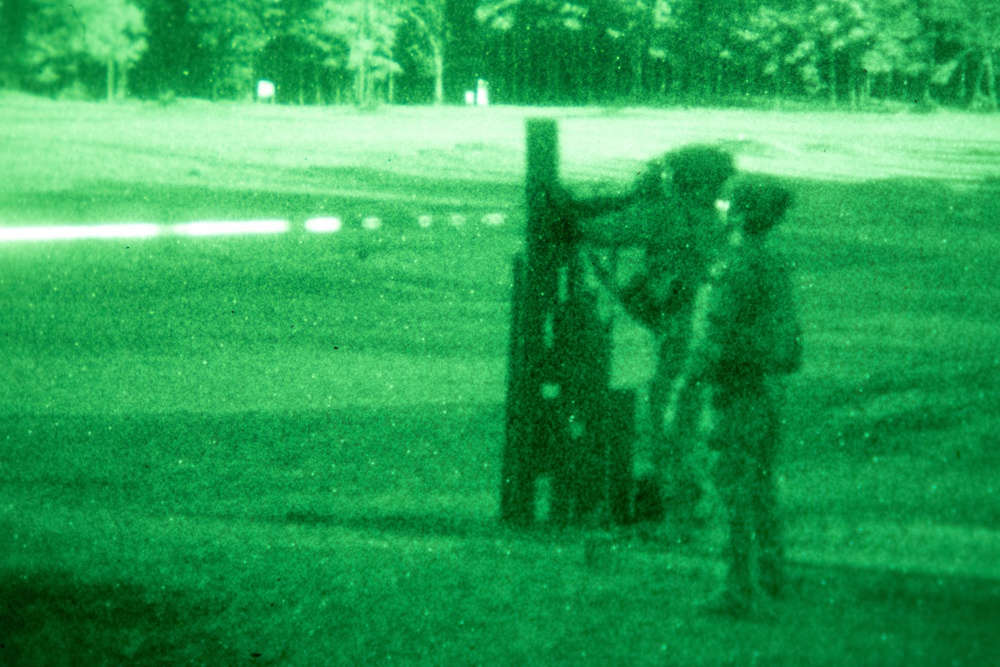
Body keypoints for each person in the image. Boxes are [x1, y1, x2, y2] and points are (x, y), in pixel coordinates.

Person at [577, 145, 737, 528]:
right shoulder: (716, 219)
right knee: (686, 417)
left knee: (666, 416)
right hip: (703, 330)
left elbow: (604, 231)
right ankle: (687, 500)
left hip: (678, 330)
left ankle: (675, 505)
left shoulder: (668, 213)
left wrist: (574, 212)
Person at [668, 174, 802, 615]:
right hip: (768, 392)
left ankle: (738, 588)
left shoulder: (735, 266)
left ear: (741, 213)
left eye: (728, 206)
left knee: (731, 490)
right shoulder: (776, 264)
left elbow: (714, 336)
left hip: (735, 392)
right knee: (763, 486)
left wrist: (682, 388)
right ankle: (772, 575)